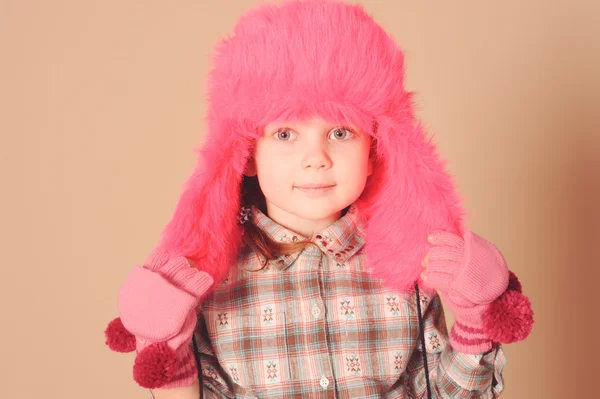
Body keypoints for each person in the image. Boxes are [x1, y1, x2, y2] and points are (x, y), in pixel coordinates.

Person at [104, 0, 534, 398]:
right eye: (286, 134)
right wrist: (166, 350)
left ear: (375, 151)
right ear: (247, 153)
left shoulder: (409, 271)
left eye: (340, 132)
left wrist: (476, 324)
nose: (316, 159)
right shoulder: (212, 285)